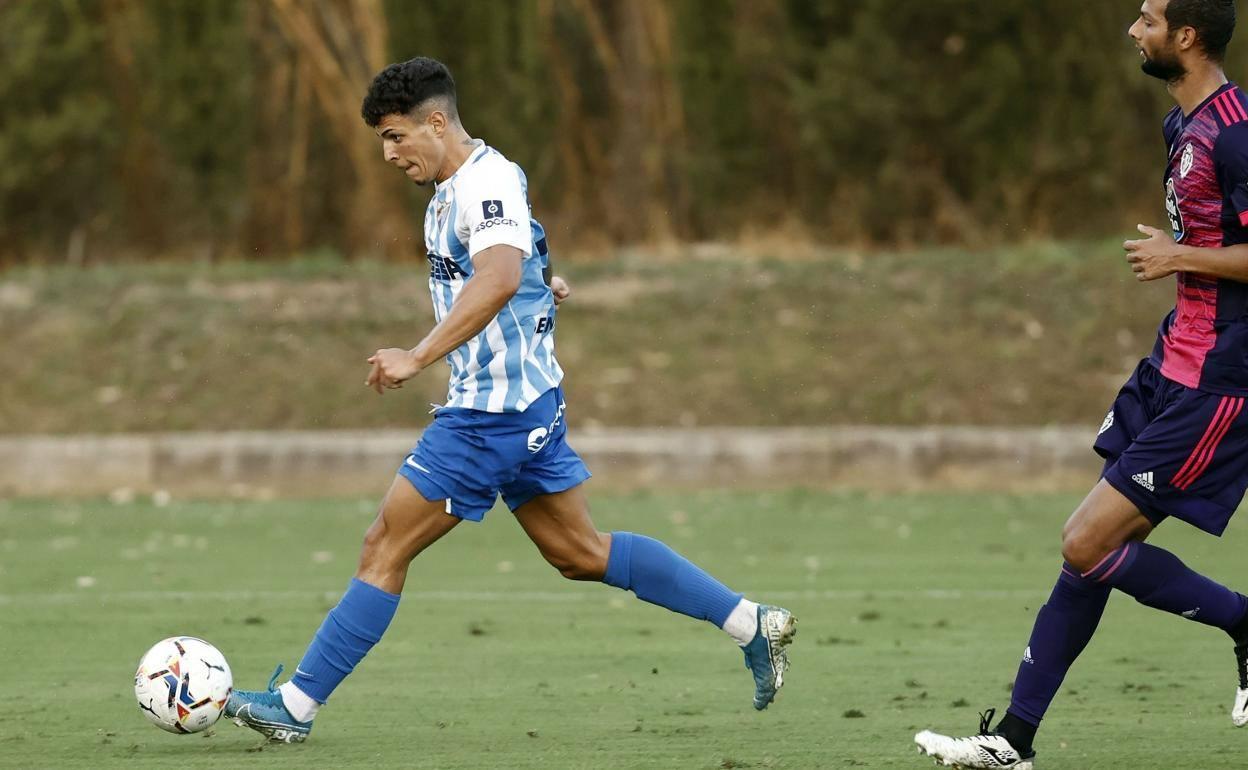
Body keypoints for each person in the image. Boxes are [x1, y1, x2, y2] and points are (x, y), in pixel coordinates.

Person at [223, 56, 796, 744]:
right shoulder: (471, 182)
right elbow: (518, 259)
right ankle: (749, 623)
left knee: (384, 544)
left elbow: (495, 275)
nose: (387, 153)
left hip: (489, 416)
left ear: (437, 122)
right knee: (581, 553)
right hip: (527, 405)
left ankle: (296, 707)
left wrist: (418, 355)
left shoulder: (482, 183)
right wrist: (543, 287)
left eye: (396, 136)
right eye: (383, 139)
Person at [916, 1, 1248, 767]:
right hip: (1172, 362)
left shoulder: (1235, 132)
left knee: (1086, 541)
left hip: (1219, 379)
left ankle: (1242, 621)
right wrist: (1183, 263)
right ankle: (1013, 742)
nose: (1135, 30)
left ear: (1186, 37)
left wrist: (1179, 258)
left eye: (1148, 18)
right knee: (1089, 553)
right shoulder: (1183, 127)